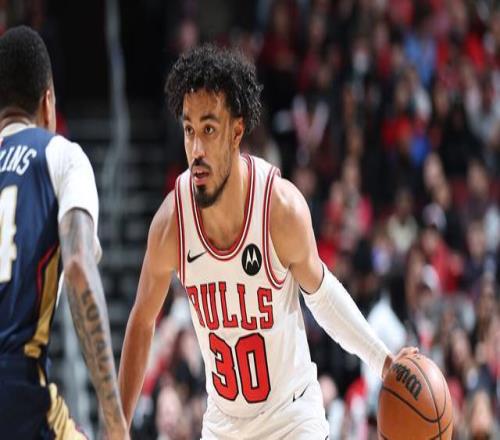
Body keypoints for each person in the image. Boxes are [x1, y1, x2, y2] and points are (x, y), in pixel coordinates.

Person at [119, 44, 416, 439]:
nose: (197, 149)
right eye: (189, 130)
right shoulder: (171, 224)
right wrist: (116, 426)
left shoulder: (279, 208)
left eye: (209, 129)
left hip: (292, 418)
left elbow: (322, 295)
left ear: (236, 131)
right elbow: (142, 321)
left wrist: (382, 359)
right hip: (224, 425)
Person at [0, 26, 128, 439]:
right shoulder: (60, 156)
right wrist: (114, 419)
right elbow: (77, 268)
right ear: (48, 101)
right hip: (17, 393)